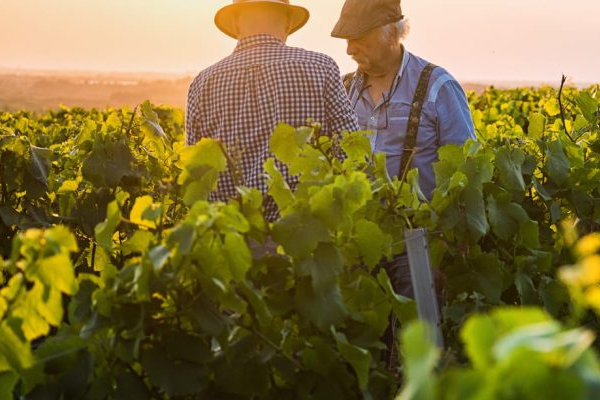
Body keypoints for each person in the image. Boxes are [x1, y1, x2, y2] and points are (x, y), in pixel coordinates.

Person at [332, 0, 476, 370]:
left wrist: (451, 247)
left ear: (392, 32)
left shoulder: (438, 86)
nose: (349, 49)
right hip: (362, 241)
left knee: (422, 355)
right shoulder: (344, 89)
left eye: (357, 38)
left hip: (421, 243)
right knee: (364, 354)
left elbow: (466, 169)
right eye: (346, 40)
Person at [186, 0, 359, 228]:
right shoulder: (321, 67)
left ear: (236, 24)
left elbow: (195, 180)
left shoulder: (202, 83)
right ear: (288, 22)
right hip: (305, 235)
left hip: (231, 243)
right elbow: (351, 151)